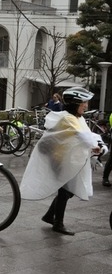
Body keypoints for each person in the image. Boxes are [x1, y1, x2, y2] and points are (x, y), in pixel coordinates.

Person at [20, 87, 104, 235]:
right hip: (58, 158)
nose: (86, 106)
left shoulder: (77, 117)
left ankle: (49, 216)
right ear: (75, 103)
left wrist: (99, 143)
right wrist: (97, 146)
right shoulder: (68, 118)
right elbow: (83, 137)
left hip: (66, 158)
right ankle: (57, 223)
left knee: (67, 190)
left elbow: (88, 134)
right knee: (66, 190)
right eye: (84, 103)